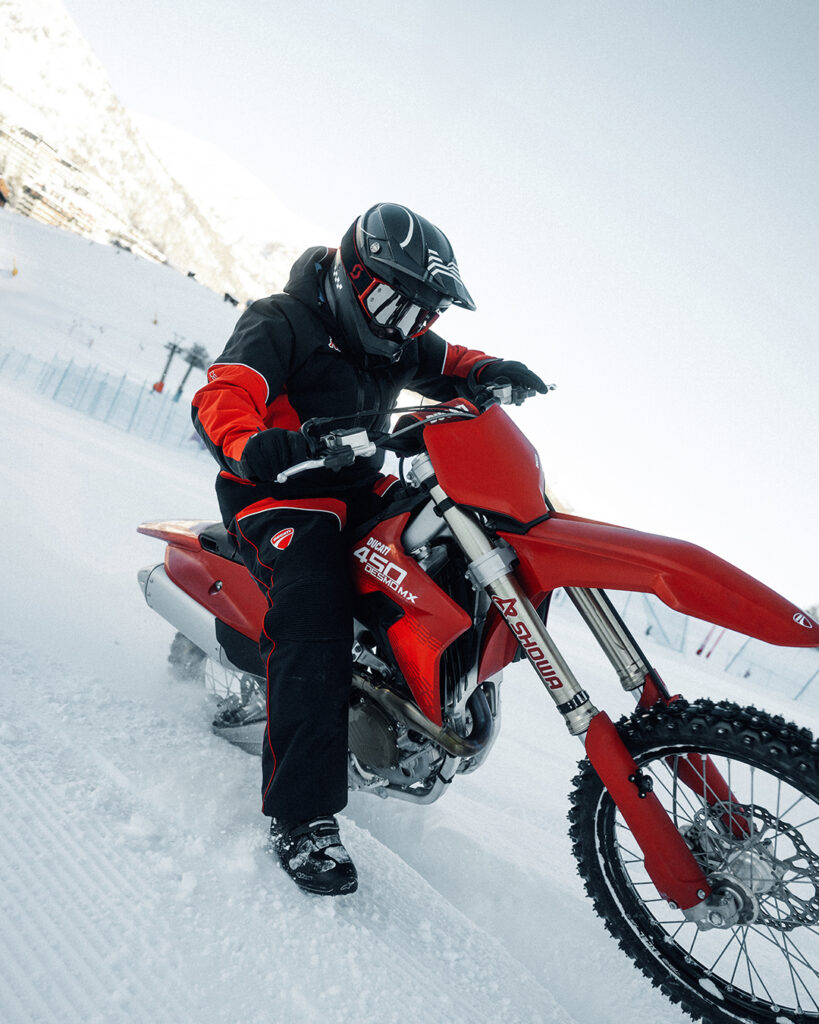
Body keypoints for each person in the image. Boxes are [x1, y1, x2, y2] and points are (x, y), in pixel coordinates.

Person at [191, 203, 546, 896]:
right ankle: (301, 817)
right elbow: (226, 392)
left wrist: (492, 371)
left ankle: (418, 693)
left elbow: (448, 362)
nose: (402, 326)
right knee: (314, 608)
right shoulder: (281, 320)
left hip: (358, 486)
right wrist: (254, 443)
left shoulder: (397, 334)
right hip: (279, 494)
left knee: (452, 542)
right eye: (393, 305)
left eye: (419, 315)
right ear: (353, 277)